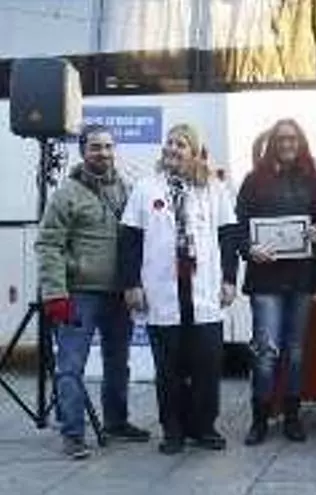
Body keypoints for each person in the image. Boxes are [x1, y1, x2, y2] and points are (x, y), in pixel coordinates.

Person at [118, 124, 239, 455]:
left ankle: (204, 428)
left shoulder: (213, 188)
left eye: (181, 144)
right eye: (170, 142)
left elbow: (229, 237)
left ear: (194, 151)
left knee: (207, 366)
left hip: (204, 289)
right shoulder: (146, 188)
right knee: (169, 369)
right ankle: (173, 430)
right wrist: (131, 284)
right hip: (162, 290)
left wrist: (230, 279)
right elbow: (130, 240)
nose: (172, 148)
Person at [35, 124, 151, 460]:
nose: (103, 153)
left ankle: (116, 422)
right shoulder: (66, 194)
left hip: (118, 294)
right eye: (96, 147)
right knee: (71, 366)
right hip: (78, 295)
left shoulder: (127, 189)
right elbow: (48, 245)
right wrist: (55, 294)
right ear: (83, 151)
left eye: (108, 147)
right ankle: (73, 434)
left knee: (118, 363)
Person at [236, 119, 316, 445]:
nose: (288, 144)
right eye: (282, 138)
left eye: (293, 139)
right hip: (265, 279)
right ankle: (259, 419)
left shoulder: (313, 179)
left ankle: (292, 417)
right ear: (273, 142)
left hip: (302, 277)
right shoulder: (253, 180)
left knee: (296, 351)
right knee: (266, 351)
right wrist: (249, 248)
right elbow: (237, 226)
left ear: (301, 143)